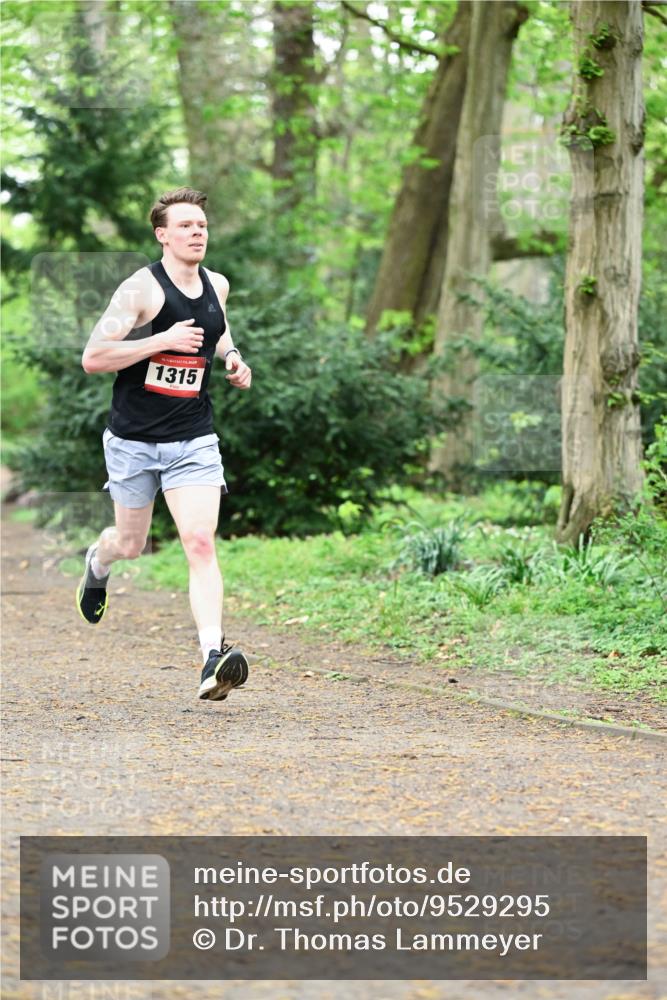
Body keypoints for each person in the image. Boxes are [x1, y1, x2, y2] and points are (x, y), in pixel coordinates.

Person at [76, 187, 251, 703]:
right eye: (186, 226)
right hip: (132, 441)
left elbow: (217, 331)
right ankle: (98, 563)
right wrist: (160, 340)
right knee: (131, 544)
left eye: (202, 225)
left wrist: (233, 357)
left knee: (199, 541)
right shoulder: (138, 291)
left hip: (193, 437)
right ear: (163, 235)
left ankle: (213, 657)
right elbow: (94, 356)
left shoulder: (216, 284)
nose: (198, 233)